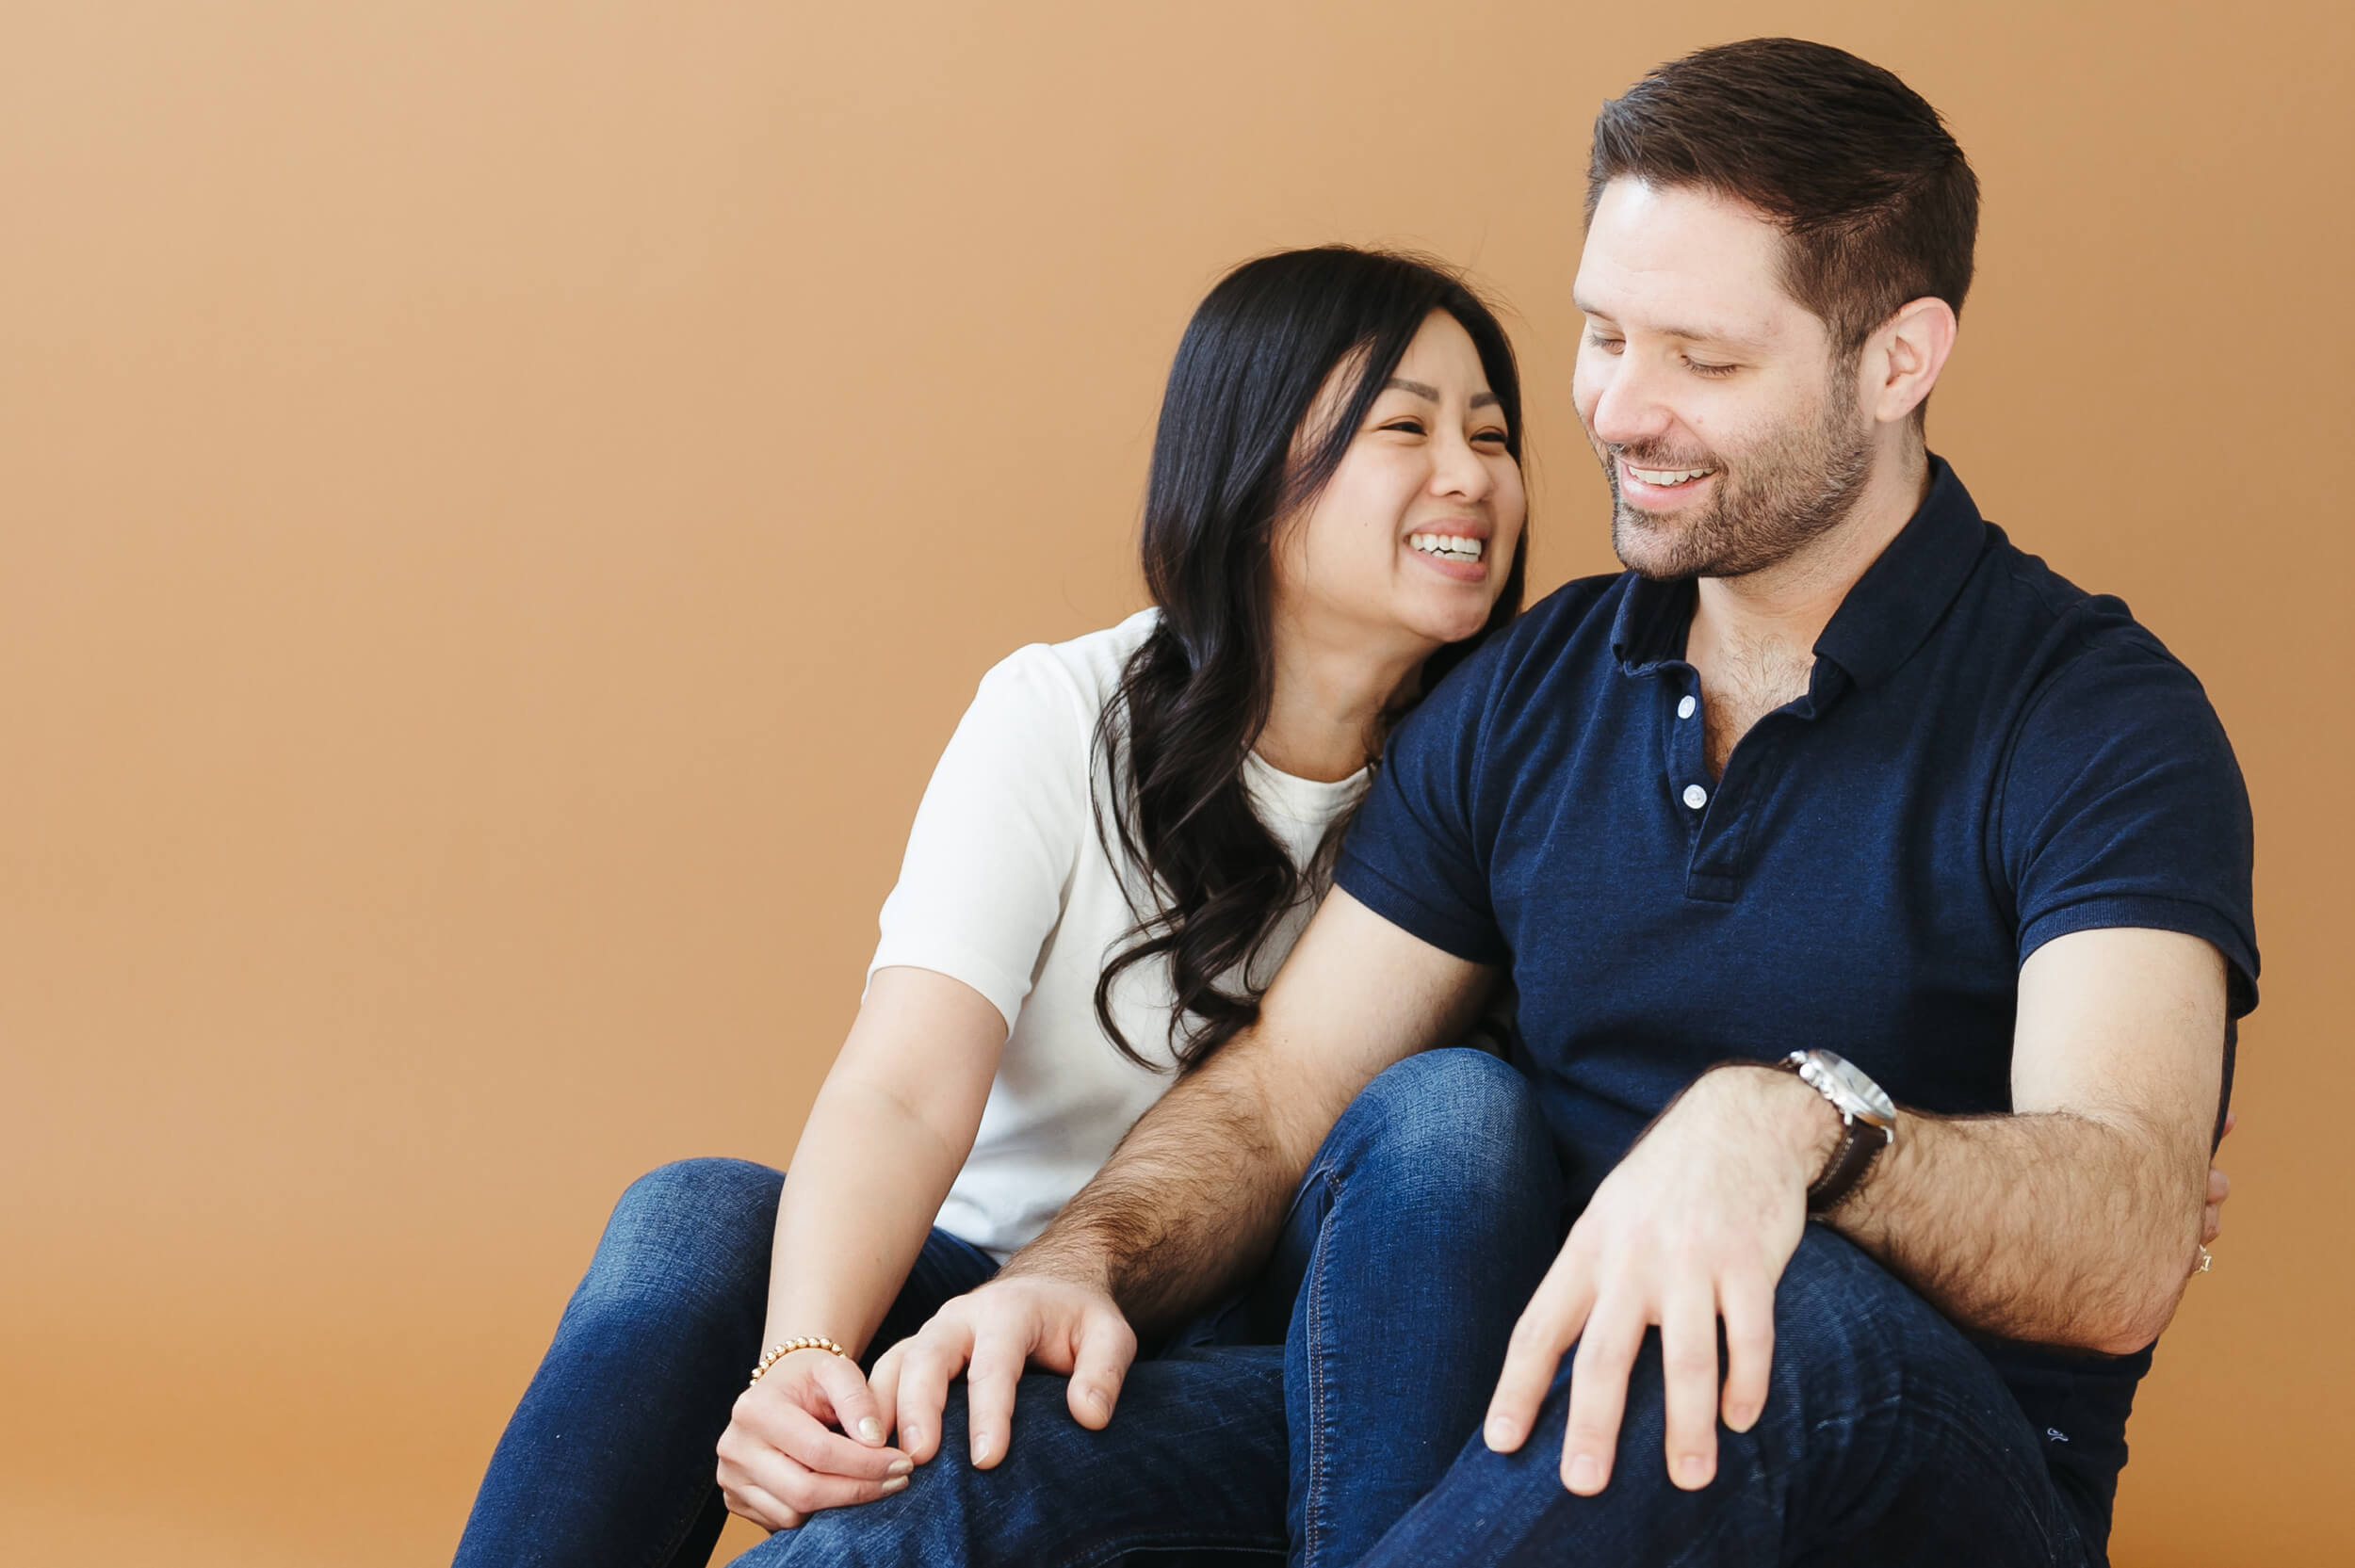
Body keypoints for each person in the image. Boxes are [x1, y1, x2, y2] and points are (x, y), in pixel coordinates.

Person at [860, 37, 2258, 1568]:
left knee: (1781, 1314)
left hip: (1911, 1467)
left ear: (1899, 359)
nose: (1614, 409)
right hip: (1526, 1438)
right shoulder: (1532, 688)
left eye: (1702, 361)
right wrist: (1083, 1266)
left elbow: (2130, 1223)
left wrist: (1797, 1132)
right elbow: (1286, 1092)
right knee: (1003, 1471)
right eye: (1602, 334)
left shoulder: (2095, 718)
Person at [450, 245, 1567, 1567]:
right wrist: (802, 1360)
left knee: (1451, 1114)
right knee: (695, 1214)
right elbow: (905, 1088)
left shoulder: (1513, 765)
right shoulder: (1061, 716)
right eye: (1407, 426)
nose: (1473, 475)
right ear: (1258, 466)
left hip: (1286, 1350)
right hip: (984, 1287)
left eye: (1492, 434)